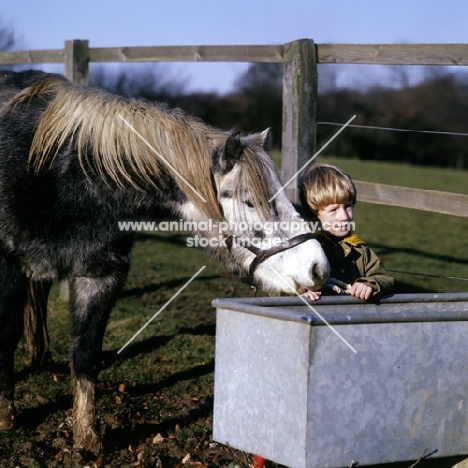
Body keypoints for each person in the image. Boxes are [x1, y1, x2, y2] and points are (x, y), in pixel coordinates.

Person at [299, 163, 395, 301]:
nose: (344, 216)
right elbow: (278, 287)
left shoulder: (361, 252)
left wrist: (369, 284)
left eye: (348, 206)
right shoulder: (306, 250)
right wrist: (299, 292)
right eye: (333, 210)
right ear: (314, 214)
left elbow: (386, 280)